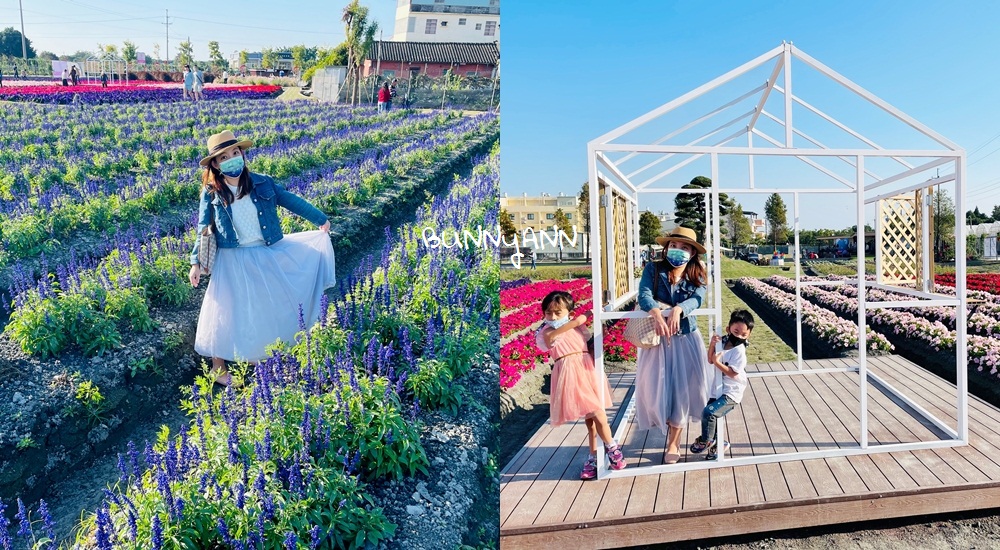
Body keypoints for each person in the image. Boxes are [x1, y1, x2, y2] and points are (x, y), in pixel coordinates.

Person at [188, 130, 336, 386]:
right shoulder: (211, 192)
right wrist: (195, 262)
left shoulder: (262, 183)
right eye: (224, 156)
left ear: (242, 154)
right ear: (215, 164)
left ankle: (258, 356)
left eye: (235, 153)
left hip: (262, 254)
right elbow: (204, 227)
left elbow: (290, 200)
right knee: (224, 311)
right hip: (231, 258)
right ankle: (217, 367)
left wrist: (320, 218)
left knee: (262, 308)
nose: (232, 159)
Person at [633, 226, 710, 464]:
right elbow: (644, 294)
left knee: (683, 390)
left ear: (693, 253)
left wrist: (679, 308)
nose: (678, 250)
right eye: (674, 246)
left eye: (684, 247)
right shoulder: (653, 269)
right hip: (657, 340)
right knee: (655, 387)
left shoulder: (697, 274)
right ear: (667, 247)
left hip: (685, 338)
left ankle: (674, 443)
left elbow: (698, 298)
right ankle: (665, 425)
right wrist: (656, 312)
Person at [536, 291, 626, 479]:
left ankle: (595, 455)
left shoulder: (575, 329)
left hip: (586, 368)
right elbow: (575, 322)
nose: (552, 317)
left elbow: (582, 338)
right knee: (594, 411)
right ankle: (612, 448)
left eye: (557, 313)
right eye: (548, 312)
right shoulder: (547, 332)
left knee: (592, 416)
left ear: (568, 311)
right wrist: (592, 313)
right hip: (569, 372)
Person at [690, 309, 753, 460]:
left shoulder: (739, 351)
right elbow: (710, 360)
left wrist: (718, 362)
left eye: (743, 335)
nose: (739, 336)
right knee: (713, 417)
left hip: (731, 392)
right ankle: (720, 444)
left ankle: (706, 440)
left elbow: (733, 373)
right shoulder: (723, 341)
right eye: (736, 331)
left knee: (709, 412)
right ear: (728, 328)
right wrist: (712, 345)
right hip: (718, 388)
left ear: (748, 335)